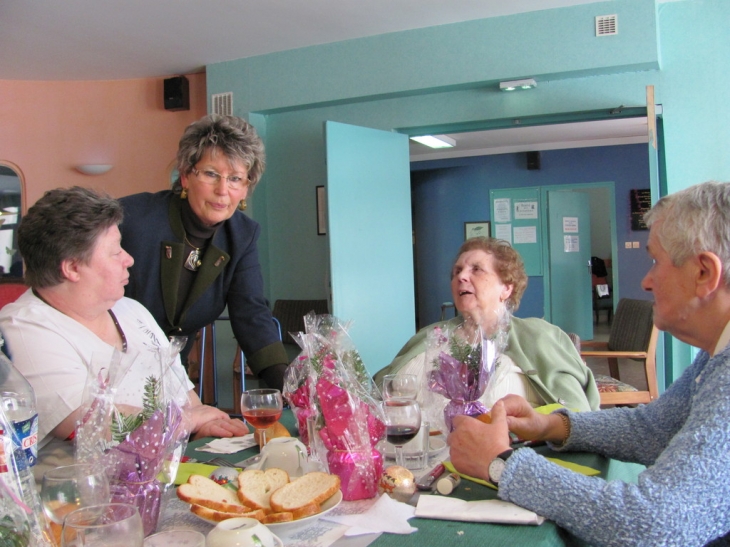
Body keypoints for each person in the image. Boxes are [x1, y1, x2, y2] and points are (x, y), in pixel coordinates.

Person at [448, 181, 730, 547]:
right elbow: (653, 429)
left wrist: (500, 463)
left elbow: (655, 523)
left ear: (705, 273)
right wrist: (551, 425)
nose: (645, 280)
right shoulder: (716, 356)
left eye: (655, 261)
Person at [0, 187, 248, 480]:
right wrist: (189, 421)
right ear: (73, 268)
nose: (128, 259)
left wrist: (204, 423)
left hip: (164, 481)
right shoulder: (21, 330)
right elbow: (95, 422)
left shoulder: (130, 310)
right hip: (83, 508)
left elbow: (188, 401)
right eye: (115, 250)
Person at [119, 115, 288, 391]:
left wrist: (289, 388)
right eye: (211, 174)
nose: (223, 190)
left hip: (172, 379)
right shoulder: (132, 218)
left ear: (246, 187)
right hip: (108, 372)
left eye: (235, 179)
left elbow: (252, 316)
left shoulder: (242, 236)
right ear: (186, 176)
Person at [374, 237, 599, 417]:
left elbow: (579, 417)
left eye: (477, 270)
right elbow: (378, 392)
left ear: (506, 289)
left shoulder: (540, 337)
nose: (461, 276)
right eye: (457, 271)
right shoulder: (430, 335)